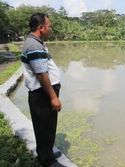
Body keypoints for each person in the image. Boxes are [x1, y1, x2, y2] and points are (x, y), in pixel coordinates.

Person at [21, 13, 65, 167]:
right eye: (49, 26)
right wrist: (54, 97)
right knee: (44, 128)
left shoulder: (36, 42)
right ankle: (47, 161)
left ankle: (48, 154)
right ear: (41, 28)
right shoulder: (34, 46)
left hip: (44, 93)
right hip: (42, 95)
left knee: (48, 126)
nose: (50, 28)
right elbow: (41, 75)